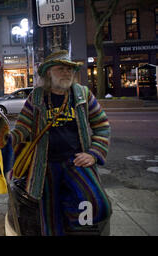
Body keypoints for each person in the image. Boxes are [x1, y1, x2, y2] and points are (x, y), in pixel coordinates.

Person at [7, 50, 112, 235]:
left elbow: (102, 126)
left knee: (98, 203)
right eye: (61, 68)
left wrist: (94, 153)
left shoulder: (83, 95)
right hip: (44, 166)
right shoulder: (36, 97)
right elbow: (23, 129)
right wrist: (6, 139)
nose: (67, 72)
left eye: (70, 69)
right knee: (49, 218)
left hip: (76, 162)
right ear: (49, 73)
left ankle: (72, 220)